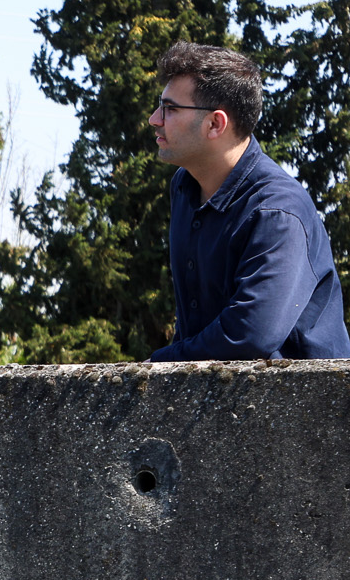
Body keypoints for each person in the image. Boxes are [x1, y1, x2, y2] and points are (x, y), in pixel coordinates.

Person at [147, 42, 349, 360]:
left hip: (298, 404)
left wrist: (159, 365)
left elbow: (249, 335)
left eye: (170, 108)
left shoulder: (278, 212)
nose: (154, 119)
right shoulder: (185, 187)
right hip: (215, 399)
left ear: (216, 124)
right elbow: (195, 320)